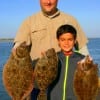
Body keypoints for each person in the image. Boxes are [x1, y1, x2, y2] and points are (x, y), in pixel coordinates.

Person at [13, 0, 89, 61]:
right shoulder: (28, 21)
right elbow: (18, 48)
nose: (48, 2)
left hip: (64, 74)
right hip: (37, 75)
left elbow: (82, 49)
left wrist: (88, 67)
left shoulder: (70, 20)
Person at [47, 24, 85, 100]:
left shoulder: (82, 60)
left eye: (70, 39)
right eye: (63, 40)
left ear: (74, 41)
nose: (66, 43)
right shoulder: (52, 58)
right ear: (58, 41)